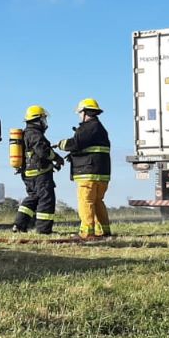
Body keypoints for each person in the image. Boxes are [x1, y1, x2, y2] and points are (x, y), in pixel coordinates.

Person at [57, 98, 112, 239]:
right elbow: (87, 147)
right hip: (101, 173)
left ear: (85, 112)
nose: (79, 115)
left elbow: (76, 143)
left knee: (85, 201)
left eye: (80, 113)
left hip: (88, 173)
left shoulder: (88, 127)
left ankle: (86, 232)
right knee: (97, 201)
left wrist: (61, 144)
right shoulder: (100, 128)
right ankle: (103, 230)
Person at [14, 105, 64, 234]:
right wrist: (57, 158)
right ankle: (43, 229)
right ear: (38, 120)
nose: (44, 122)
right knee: (46, 199)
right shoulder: (35, 134)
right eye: (43, 119)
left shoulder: (26, 133)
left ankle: (19, 225)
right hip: (40, 174)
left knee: (33, 198)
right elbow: (43, 151)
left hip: (28, 174)